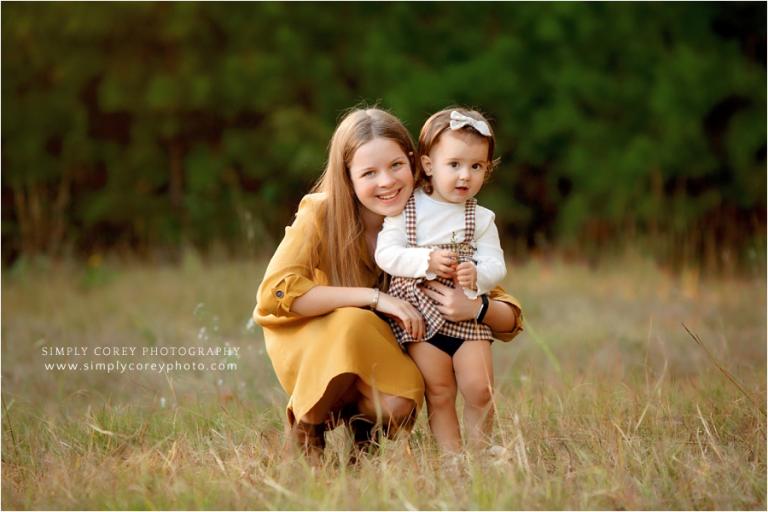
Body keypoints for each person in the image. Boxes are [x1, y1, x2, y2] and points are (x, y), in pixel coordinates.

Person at [253, 107, 523, 462]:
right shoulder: (321, 213)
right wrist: (374, 298)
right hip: (320, 339)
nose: (386, 181)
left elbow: (507, 315)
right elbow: (278, 292)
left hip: (385, 345)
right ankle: (309, 424)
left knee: (402, 397)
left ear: (416, 163)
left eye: (396, 166)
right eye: (368, 172)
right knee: (355, 319)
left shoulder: (435, 217)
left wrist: (479, 307)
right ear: (347, 176)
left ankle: (365, 436)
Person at [375, 107, 514, 454]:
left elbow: (496, 263)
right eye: (454, 164)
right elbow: (386, 254)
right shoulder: (407, 208)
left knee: (480, 388)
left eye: (476, 166)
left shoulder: (480, 218)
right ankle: (452, 459)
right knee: (439, 392)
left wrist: (478, 275)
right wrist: (424, 260)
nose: (465, 175)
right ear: (428, 165)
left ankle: (481, 452)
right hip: (422, 316)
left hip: (466, 312)